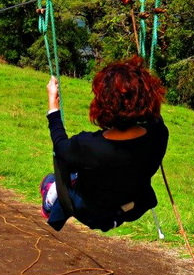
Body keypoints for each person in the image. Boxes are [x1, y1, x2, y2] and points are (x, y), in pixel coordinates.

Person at [40, 56, 168, 232]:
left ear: (102, 104)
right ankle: (113, 216)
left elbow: (60, 147)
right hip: (131, 203)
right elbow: (154, 118)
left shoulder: (88, 147)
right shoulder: (158, 134)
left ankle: (51, 199)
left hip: (93, 211)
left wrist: (53, 106)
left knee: (52, 180)